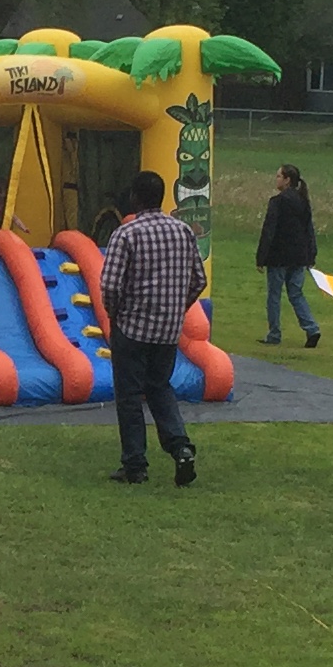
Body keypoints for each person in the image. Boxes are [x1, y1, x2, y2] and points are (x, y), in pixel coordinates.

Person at [101, 173, 202, 488]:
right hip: (168, 330)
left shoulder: (126, 233)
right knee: (160, 387)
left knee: (129, 395)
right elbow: (199, 279)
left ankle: (135, 465)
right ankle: (180, 446)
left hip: (132, 326)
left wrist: (114, 314)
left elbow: (110, 284)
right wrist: (177, 310)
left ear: (135, 197)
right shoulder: (183, 231)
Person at [255, 163, 321, 350]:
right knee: (296, 293)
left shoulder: (277, 202)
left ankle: (274, 333)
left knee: (274, 295)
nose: (276, 179)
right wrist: (311, 253)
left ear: (287, 180)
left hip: (279, 256)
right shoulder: (303, 201)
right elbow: (309, 229)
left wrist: (261, 257)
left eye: (278, 176)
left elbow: (269, 230)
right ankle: (311, 328)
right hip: (299, 255)